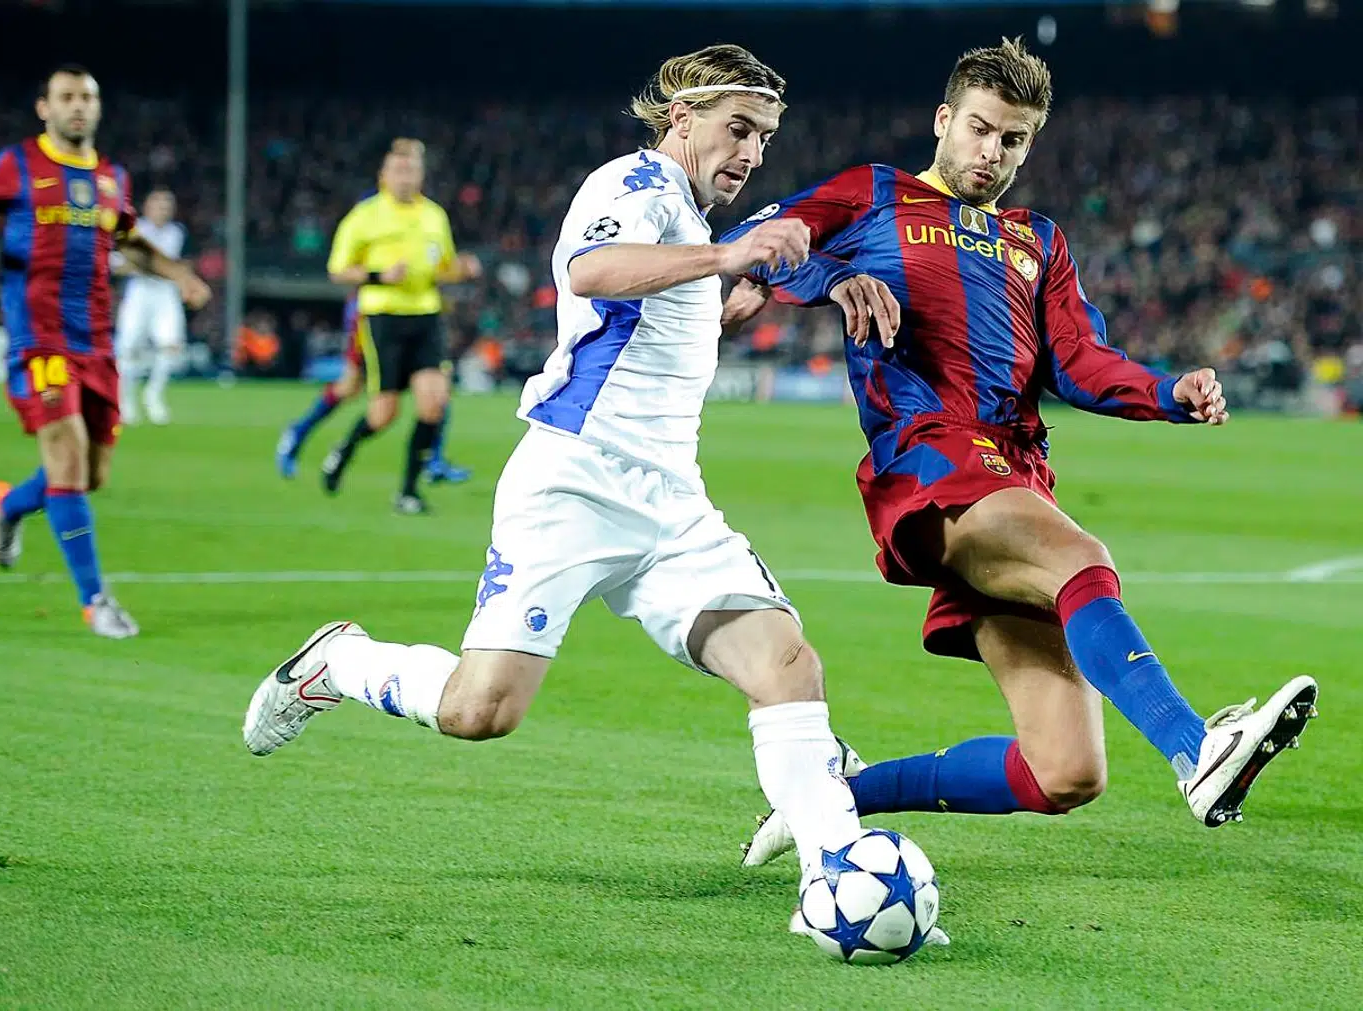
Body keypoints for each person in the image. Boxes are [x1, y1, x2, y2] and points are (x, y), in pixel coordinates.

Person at [243, 44, 878, 902]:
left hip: (670, 502)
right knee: (480, 710)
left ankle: (835, 872)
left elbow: (652, 333)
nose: (752, 152)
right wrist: (728, 261)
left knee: (787, 666)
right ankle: (340, 663)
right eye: (739, 130)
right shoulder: (633, 186)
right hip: (573, 485)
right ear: (681, 117)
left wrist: (745, 291)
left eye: (764, 137)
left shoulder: (691, 219)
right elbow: (592, 272)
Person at [725, 38, 1317, 870]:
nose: (991, 152)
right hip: (930, 461)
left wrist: (1164, 392)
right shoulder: (873, 194)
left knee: (1065, 769)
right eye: (979, 129)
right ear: (944, 120)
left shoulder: (1037, 238)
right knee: (1082, 554)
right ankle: (1197, 750)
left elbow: (1079, 361)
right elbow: (760, 237)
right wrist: (828, 278)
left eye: (1013, 139)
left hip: (1014, 476)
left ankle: (836, 791)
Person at [0, 65, 210, 638]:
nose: (78, 106)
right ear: (44, 107)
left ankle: (10, 505)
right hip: (39, 339)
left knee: (89, 475)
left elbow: (128, 241)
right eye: (67, 97)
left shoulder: (109, 177)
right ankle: (95, 601)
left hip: (96, 341)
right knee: (67, 460)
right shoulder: (17, 164)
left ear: (97, 109)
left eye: (87, 98)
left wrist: (177, 273)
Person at [316, 140, 482, 513]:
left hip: (426, 314)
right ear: (383, 176)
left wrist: (463, 270)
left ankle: (408, 491)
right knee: (384, 413)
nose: (405, 177)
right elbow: (337, 270)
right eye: (398, 170)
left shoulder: (434, 215)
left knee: (434, 404)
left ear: (421, 176)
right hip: (383, 317)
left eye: (412, 171)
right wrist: (379, 275)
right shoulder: (365, 216)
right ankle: (345, 449)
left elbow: (445, 267)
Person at [274, 291, 472, 483]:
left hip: (417, 315)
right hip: (376, 314)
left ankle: (433, 460)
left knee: (437, 385)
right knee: (351, 385)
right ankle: (299, 431)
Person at [113, 187, 188, 425]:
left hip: (165, 292)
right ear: (147, 207)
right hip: (140, 291)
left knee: (171, 346)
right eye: (159, 205)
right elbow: (118, 263)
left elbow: (174, 264)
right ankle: (126, 401)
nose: (163, 210)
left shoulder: (177, 233)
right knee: (129, 347)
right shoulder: (136, 230)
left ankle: (154, 394)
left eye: (167, 206)